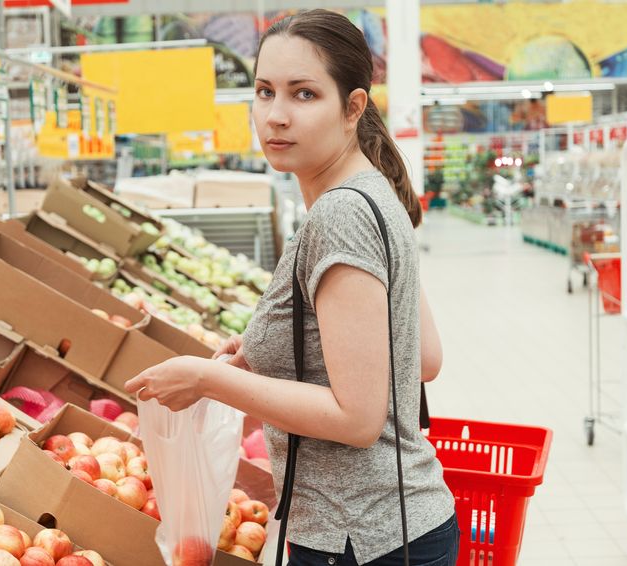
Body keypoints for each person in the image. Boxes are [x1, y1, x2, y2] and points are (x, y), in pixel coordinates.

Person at [125, 9, 458, 566]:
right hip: (407, 525)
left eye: (303, 95)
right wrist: (265, 355)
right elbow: (422, 358)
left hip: (357, 537)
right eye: (264, 92)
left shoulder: (339, 215)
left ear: (353, 107)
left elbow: (357, 418)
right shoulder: (378, 193)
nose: (275, 116)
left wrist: (206, 379)